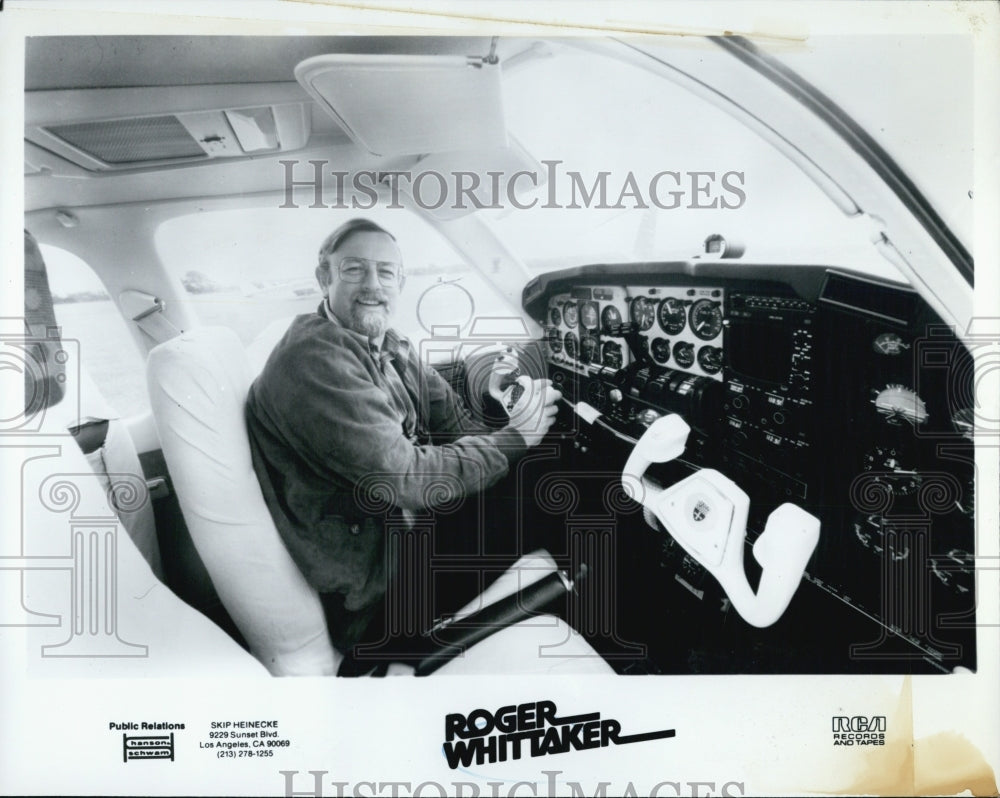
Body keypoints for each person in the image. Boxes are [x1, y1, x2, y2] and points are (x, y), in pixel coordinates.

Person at [245, 218, 559, 665]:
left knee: (550, 465)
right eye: (354, 269)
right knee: (557, 481)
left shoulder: (391, 347)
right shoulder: (313, 359)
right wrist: (516, 437)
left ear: (401, 283)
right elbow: (408, 478)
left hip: (411, 537)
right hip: (380, 599)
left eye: (386, 272)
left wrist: (503, 402)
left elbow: (455, 426)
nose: (373, 285)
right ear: (324, 278)